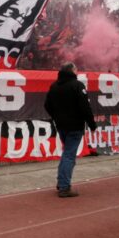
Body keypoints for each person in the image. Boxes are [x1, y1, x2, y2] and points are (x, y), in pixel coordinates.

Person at [44, 62, 96, 198]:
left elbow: (47, 105)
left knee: (67, 153)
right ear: (72, 70)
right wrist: (92, 124)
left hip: (61, 126)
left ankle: (62, 182)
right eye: (76, 69)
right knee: (69, 155)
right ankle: (64, 186)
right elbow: (85, 107)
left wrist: (56, 117)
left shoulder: (54, 86)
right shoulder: (77, 85)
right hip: (75, 126)